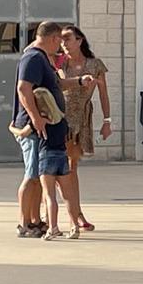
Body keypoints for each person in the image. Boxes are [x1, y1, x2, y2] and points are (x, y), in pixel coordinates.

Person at [13, 22, 83, 240]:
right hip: (34, 128)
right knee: (32, 176)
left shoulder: (43, 59)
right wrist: (35, 118)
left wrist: (80, 81)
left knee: (38, 176)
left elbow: (57, 84)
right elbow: (23, 88)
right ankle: (24, 222)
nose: (60, 46)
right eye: (60, 41)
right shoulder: (33, 58)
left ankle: (35, 221)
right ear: (53, 38)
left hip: (42, 128)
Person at [56, 25, 110, 235]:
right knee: (59, 168)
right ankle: (71, 215)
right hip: (61, 118)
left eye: (67, 39)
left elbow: (103, 93)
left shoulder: (95, 65)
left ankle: (76, 213)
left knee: (72, 167)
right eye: (61, 40)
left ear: (79, 40)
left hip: (81, 119)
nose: (64, 43)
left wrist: (107, 121)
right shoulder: (59, 62)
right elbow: (59, 84)